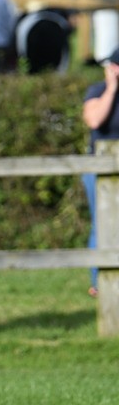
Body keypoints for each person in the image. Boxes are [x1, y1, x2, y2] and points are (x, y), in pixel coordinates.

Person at [81, 48, 119, 298]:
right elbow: (94, 120)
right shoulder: (97, 91)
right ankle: (99, 282)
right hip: (100, 167)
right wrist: (111, 89)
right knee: (102, 224)